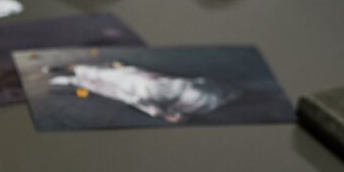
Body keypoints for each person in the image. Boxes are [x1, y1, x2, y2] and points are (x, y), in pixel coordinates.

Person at [46, 61, 240, 123]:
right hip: (144, 84)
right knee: (101, 77)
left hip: (143, 91)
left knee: (102, 85)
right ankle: (66, 74)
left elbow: (173, 112)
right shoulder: (207, 93)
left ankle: (69, 78)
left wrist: (159, 112)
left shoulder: (207, 100)